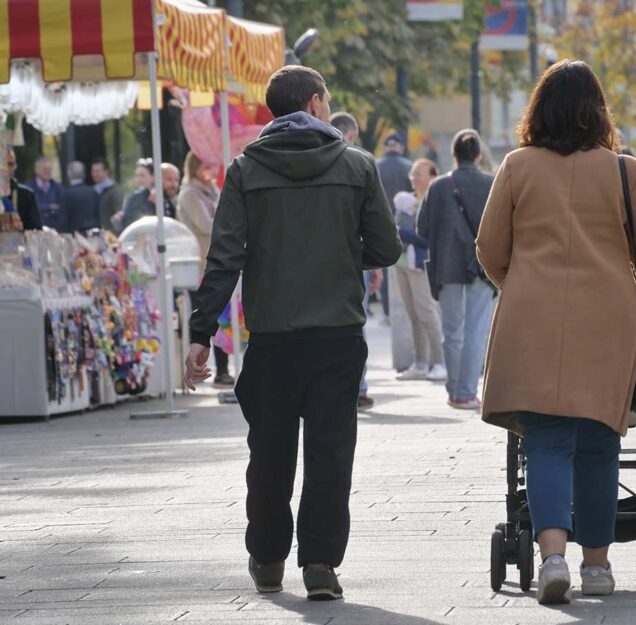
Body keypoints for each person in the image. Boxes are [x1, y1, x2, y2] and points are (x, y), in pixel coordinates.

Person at [184, 65, 401, 600]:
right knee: (331, 452)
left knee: (270, 452)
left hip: (273, 338)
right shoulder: (356, 165)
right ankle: (322, 565)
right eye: (326, 99)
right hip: (337, 335)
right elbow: (388, 248)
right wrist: (343, 254)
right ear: (315, 102)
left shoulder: (244, 169)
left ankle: (267, 557)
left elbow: (224, 256)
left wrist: (200, 331)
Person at [476, 60, 636, 605]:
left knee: (545, 442)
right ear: (598, 111)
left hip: (530, 317)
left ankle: (552, 558)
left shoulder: (516, 166)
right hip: (607, 321)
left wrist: (519, 284)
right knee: (599, 443)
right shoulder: (625, 172)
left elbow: (490, 250)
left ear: (539, 108)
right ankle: (599, 567)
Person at [417, 129, 495, 411]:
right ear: (477, 154)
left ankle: (454, 391)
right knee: (476, 330)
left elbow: (422, 228)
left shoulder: (438, 186)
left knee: (452, 331)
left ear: (453, 155)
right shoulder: (491, 183)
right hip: (482, 266)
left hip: (447, 266)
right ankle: (466, 391)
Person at [330, 110, 383, 410]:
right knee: (355, 324)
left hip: (322, 260)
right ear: (350, 135)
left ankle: (338, 387)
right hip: (354, 259)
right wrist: (375, 264)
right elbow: (372, 222)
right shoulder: (361, 162)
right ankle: (357, 387)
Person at [177, 151, 234, 388]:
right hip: (201, 261)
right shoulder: (190, 193)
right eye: (205, 167)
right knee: (212, 315)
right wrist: (231, 224)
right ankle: (216, 370)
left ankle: (222, 368)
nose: (210, 171)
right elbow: (206, 223)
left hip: (214, 258)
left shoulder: (210, 189)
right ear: (195, 167)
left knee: (224, 317)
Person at [393, 158, 446, 381]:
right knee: (413, 315)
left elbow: (432, 238)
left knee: (427, 313)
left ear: (433, 176)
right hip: (402, 264)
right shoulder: (406, 202)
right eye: (412, 175)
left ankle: (440, 362)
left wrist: (405, 234)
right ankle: (421, 363)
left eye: (419, 174)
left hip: (422, 265)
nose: (413, 179)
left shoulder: (437, 201)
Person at [376, 133, 413, 324]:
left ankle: (388, 313)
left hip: (381, 223)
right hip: (405, 226)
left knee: (383, 266)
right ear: (400, 146)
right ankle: (406, 310)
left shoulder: (375, 165)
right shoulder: (409, 167)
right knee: (405, 266)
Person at [120, 158, 175, 230]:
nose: (139, 180)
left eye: (142, 175)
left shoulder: (162, 196)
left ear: (153, 177)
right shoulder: (134, 197)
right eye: (137, 176)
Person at [2, 148, 41, 231]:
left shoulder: (26, 195)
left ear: (15, 166)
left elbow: (35, 230)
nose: (5, 168)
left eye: (10, 164)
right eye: (2, 163)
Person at [60, 161, 100, 233]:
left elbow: (63, 220)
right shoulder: (93, 192)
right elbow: (98, 217)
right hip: (91, 236)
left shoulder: (66, 194)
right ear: (83, 174)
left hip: (74, 236)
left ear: (69, 174)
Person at [27, 156, 63, 230]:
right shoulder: (28, 188)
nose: (47, 172)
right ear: (36, 170)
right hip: (35, 230)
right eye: (44, 169)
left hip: (55, 231)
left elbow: (61, 209)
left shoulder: (58, 188)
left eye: (49, 169)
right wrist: (49, 207)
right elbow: (29, 210)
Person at [90, 158, 124, 232]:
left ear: (106, 172)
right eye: (93, 171)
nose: (95, 174)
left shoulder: (114, 190)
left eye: (98, 171)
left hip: (111, 235)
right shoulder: (92, 191)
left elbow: (118, 213)